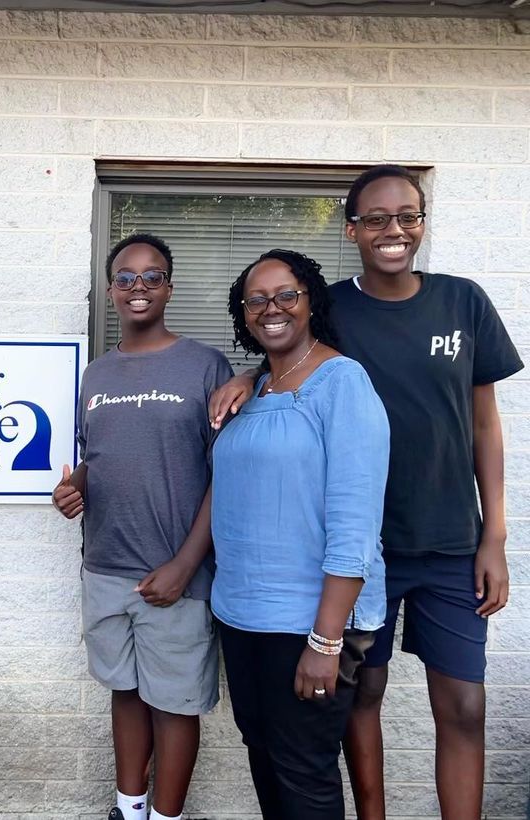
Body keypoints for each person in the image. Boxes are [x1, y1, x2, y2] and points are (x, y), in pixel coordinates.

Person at [209, 166, 523, 819]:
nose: (393, 230)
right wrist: (249, 376)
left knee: (464, 705)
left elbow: (486, 424)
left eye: (407, 215)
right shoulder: (335, 310)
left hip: (447, 542)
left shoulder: (461, 301)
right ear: (351, 229)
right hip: (368, 551)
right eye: (376, 218)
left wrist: (494, 534)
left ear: (423, 223)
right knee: (359, 703)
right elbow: (286, 349)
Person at [53, 233, 230, 820]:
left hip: (175, 573)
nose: (138, 287)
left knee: (174, 703)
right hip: (105, 567)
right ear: (110, 291)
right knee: (125, 694)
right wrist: (74, 485)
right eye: (126, 277)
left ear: (169, 289)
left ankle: (167, 815)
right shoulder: (97, 375)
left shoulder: (204, 365)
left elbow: (226, 475)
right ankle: (129, 809)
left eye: (152, 276)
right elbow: (103, 456)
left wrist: (185, 564)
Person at [211, 249, 388, 819]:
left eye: (286, 295)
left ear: (311, 301)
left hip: (310, 624)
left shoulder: (343, 383)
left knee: (304, 772)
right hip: (243, 616)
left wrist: (326, 642)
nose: (272, 309)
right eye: (256, 300)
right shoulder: (258, 388)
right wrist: (250, 376)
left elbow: (355, 522)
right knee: (264, 757)